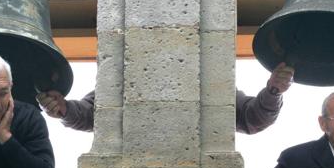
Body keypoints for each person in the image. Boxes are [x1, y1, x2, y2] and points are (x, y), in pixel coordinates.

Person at [35, 63, 295, 135]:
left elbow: (251, 118)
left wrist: (273, 92)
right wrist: (65, 109)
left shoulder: (207, 80)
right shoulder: (129, 72)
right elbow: (94, 113)